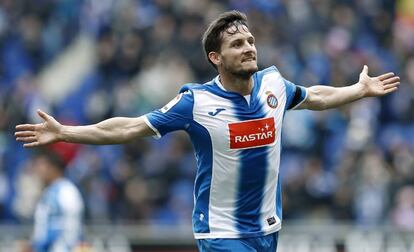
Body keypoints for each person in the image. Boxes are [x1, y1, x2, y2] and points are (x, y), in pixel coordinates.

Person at [15, 10, 400, 252]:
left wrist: (358, 89)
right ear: (216, 58)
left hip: (268, 230)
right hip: (221, 234)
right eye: (236, 44)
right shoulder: (194, 102)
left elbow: (314, 95)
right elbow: (132, 125)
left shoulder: (274, 85)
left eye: (250, 40)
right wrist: (67, 131)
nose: (249, 47)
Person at [20, 150, 85, 252]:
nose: (38, 170)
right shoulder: (50, 191)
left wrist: (37, 246)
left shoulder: (66, 191)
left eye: (41, 165)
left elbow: (68, 227)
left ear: (53, 168)